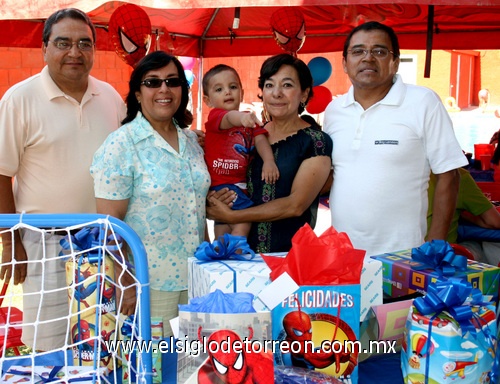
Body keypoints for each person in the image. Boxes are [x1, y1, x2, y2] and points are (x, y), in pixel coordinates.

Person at [0, 8, 125, 351]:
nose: (75, 52)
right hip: (43, 242)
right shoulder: (18, 100)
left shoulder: (111, 98)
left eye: (85, 43)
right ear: (44, 48)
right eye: (63, 43)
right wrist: (12, 242)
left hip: (102, 244)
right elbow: (0, 174)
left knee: (101, 343)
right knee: (49, 343)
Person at [323, 21, 468, 258]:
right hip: (343, 256)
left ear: (395, 62)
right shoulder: (334, 110)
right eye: (358, 51)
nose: (367, 58)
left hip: (403, 257)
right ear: (344, 63)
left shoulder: (423, 102)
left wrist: (435, 244)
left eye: (379, 51)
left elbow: (448, 175)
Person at [90, 51, 210, 336]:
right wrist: (125, 279)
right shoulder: (122, 144)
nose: (164, 89)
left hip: (198, 278)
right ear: (137, 93)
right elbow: (110, 222)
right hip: (149, 283)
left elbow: (196, 207)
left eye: (172, 81)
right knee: (154, 370)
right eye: (153, 82)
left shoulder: (191, 141)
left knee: (193, 369)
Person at [207, 53, 333, 253]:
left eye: (287, 85)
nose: (277, 93)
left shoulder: (316, 141)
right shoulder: (251, 134)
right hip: (243, 258)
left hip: (289, 258)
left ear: (304, 93)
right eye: (269, 85)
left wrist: (234, 217)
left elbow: (296, 205)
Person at [202, 64, 279, 238]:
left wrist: (269, 161)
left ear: (242, 93)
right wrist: (243, 118)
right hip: (223, 184)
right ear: (208, 101)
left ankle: (221, 254)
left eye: (233, 87)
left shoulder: (249, 120)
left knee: (222, 228)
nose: (227, 92)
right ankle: (237, 251)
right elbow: (229, 118)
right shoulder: (216, 116)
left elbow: (261, 140)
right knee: (243, 222)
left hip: (240, 185)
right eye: (219, 89)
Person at [428, 168, 500, 265]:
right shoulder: (455, 175)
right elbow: (494, 222)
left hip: (404, 256)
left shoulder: (404, 173)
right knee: (484, 245)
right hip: (440, 257)